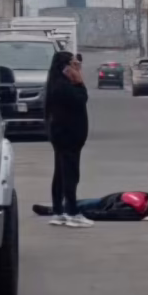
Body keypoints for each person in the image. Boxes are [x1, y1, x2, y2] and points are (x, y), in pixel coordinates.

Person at [45, 51, 92, 228]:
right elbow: (82, 99)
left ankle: (59, 211)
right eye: (74, 65)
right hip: (67, 136)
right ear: (64, 68)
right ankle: (71, 212)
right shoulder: (65, 87)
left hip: (64, 136)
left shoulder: (58, 84)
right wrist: (80, 82)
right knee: (70, 174)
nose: (77, 68)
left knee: (61, 173)